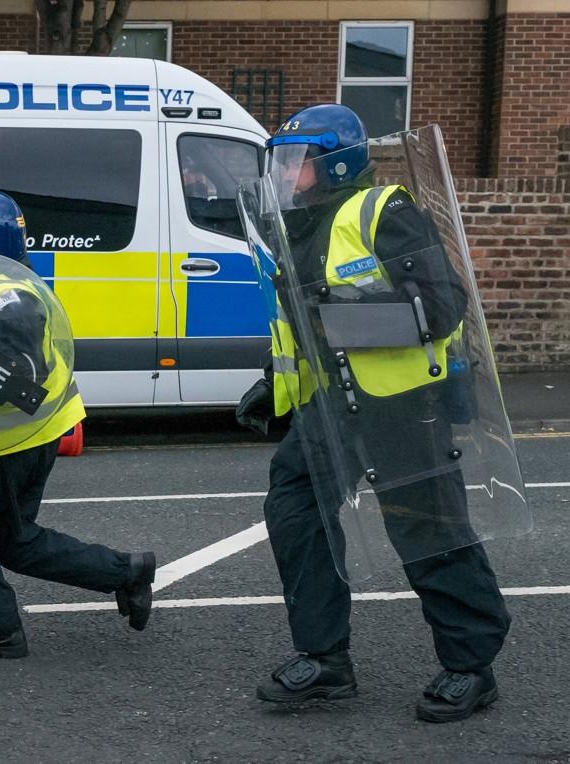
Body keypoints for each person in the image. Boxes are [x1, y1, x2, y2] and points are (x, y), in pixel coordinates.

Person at [236, 104, 510, 723]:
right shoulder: (292, 229)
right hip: (331, 407)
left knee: (427, 527)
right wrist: (269, 383)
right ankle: (324, 660)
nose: (284, 176)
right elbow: (300, 328)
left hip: (401, 405)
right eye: (280, 163)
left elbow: (440, 307)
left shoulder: (380, 211)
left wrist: (342, 311)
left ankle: (471, 665)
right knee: (295, 510)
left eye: (296, 164)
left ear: (334, 165)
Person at [0, 191, 157, 660]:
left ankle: (0, 630)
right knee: (12, 538)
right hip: (14, 438)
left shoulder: (9, 302)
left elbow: (20, 376)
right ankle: (125, 572)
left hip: (9, 441)